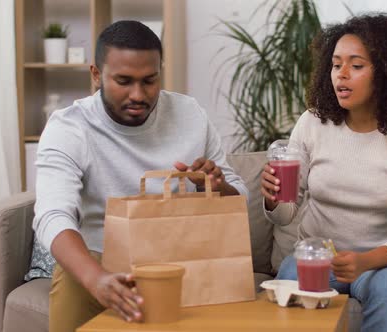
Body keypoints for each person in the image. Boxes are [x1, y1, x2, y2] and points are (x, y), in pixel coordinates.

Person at [33, 20, 248, 332]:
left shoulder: (190, 114)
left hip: (181, 263)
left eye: (149, 81)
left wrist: (219, 187)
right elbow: (52, 215)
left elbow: (240, 198)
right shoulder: (69, 127)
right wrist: (96, 279)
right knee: (74, 285)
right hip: (98, 263)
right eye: (124, 81)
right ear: (96, 75)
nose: (138, 94)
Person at [261, 13, 387, 331]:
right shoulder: (312, 123)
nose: (341, 75)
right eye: (335, 64)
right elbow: (285, 214)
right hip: (320, 256)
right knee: (291, 275)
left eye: (356, 66)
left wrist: (365, 261)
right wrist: (275, 200)